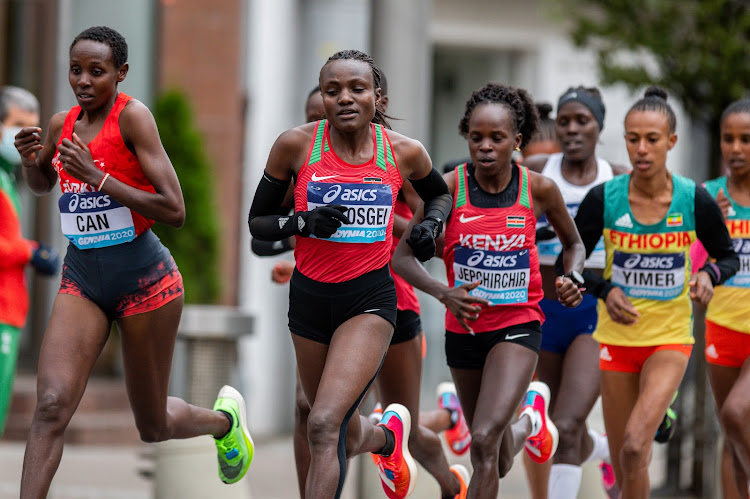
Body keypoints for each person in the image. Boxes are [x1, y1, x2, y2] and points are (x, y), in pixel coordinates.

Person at [13, 26, 253, 497]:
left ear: (120, 74)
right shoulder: (63, 124)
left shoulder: (133, 120)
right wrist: (29, 162)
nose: (83, 81)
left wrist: (98, 178)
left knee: (153, 424)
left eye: (96, 72)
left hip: (146, 283)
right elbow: (44, 184)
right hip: (83, 278)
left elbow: (174, 209)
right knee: (51, 405)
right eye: (76, 70)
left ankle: (224, 423)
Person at [248, 49, 453, 499]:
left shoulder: (403, 152)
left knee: (323, 423)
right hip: (309, 301)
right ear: (321, 96)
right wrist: (303, 221)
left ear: (376, 96)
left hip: (369, 299)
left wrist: (430, 227)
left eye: (357, 89)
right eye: (332, 90)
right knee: (330, 423)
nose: (344, 98)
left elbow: (438, 196)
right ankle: (386, 437)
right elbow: (257, 222)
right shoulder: (295, 145)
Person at [393, 82, 586, 498]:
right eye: (476, 137)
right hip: (463, 330)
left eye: (496, 138)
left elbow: (573, 244)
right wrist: (444, 293)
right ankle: (531, 422)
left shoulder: (539, 189)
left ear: (516, 141)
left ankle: (525, 422)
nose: (484, 147)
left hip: (518, 325)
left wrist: (575, 276)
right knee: (494, 455)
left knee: (480, 440)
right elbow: (403, 258)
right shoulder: (444, 189)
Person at [564, 86, 738, 498]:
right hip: (615, 341)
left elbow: (727, 256)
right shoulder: (603, 199)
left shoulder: (692, 198)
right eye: (633, 138)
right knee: (627, 467)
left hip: (669, 340)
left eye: (652, 139)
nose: (641, 149)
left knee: (634, 444)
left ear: (671, 142)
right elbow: (575, 260)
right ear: (624, 139)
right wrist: (603, 289)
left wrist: (709, 275)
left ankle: (658, 415)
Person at [522, 86, 628, 499]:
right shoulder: (535, 169)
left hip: (592, 314)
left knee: (565, 425)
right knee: (549, 426)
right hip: (541, 312)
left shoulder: (617, 176)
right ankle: (601, 449)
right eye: (564, 121)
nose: (571, 129)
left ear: (599, 126)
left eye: (582, 120)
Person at [695, 99, 750, 498]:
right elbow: (691, 267)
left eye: (746, 139)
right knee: (731, 434)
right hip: (722, 325)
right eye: (728, 139)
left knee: (736, 413)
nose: (735, 148)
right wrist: (709, 221)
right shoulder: (707, 196)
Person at [0, 86, 60, 437]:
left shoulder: (9, 177)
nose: (24, 136)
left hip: (9, 311)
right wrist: (30, 252)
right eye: (17, 125)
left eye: (32, 128)